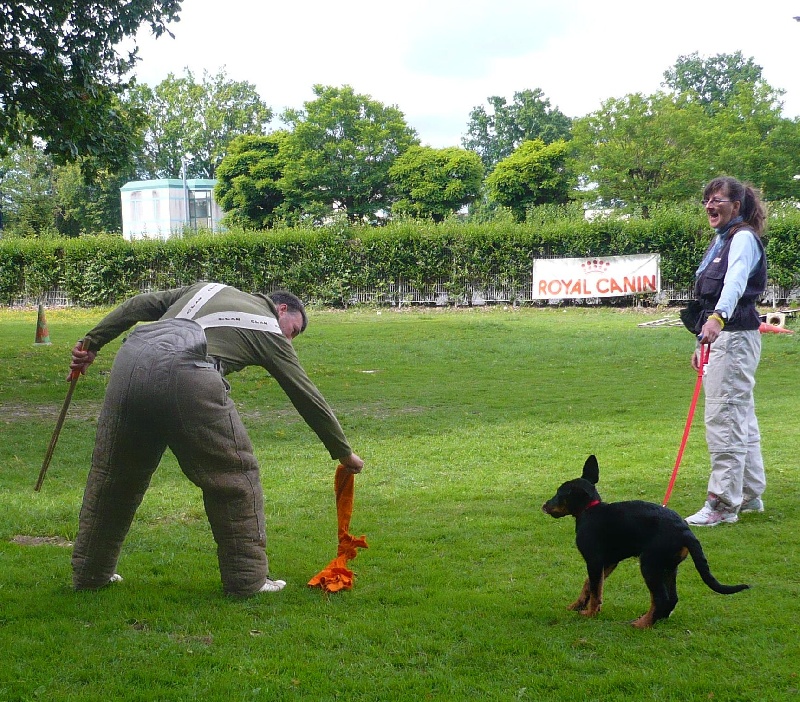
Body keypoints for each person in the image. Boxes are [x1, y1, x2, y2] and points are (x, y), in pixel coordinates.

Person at [68, 283, 364, 596]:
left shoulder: (206, 288)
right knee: (235, 477)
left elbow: (138, 304)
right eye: (293, 330)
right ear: (280, 310)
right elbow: (306, 395)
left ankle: (91, 573)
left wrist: (91, 343)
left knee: (114, 477)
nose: (290, 340)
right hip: (188, 369)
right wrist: (344, 453)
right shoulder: (268, 328)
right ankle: (247, 581)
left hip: (131, 362)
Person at [684, 176, 767, 527]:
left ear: (736, 206)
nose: (709, 205)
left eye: (717, 199)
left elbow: (733, 283)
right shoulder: (725, 240)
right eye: (707, 200)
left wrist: (717, 319)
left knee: (725, 420)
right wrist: (702, 338)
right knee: (741, 418)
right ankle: (749, 495)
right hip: (728, 338)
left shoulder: (742, 238)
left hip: (733, 337)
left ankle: (722, 503)